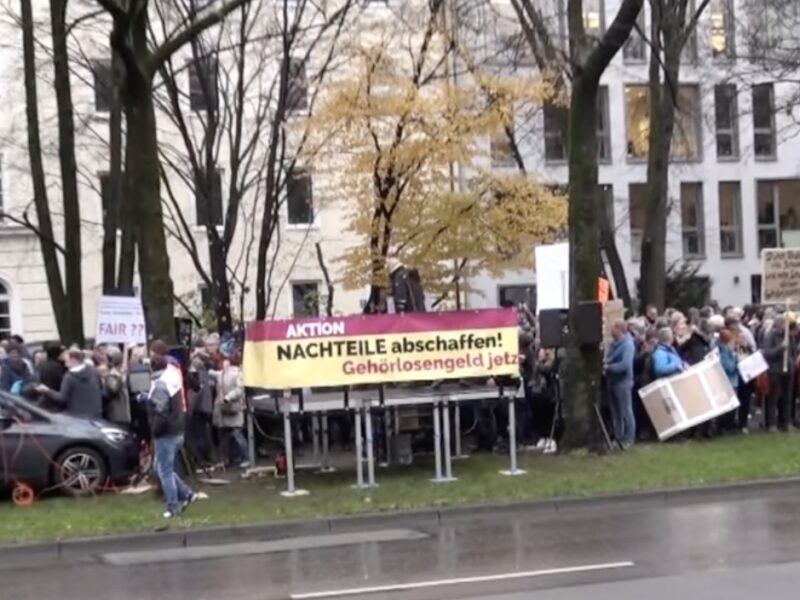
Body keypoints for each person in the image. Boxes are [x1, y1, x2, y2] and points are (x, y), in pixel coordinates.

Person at [147, 354, 199, 519]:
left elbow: (161, 411)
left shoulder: (159, 385)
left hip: (165, 433)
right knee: (161, 468)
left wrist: (155, 430)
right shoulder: (173, 378)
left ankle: (173, 507)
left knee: (165, 471)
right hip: (177, 429)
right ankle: (187, 494)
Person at [36, 347, 103, 418]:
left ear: (73, 360)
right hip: (96, 413)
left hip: (77, 416)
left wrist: (47, 390)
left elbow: (62, 398)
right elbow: (100, 387)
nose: (65, 364)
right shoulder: (92, 370)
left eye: (66, 361)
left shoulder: (69, 377)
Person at [605, 320, 636, 449]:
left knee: (626, 411)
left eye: (612, 329)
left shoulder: (628, 345)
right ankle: (618, 438)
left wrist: (609, 367)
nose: (610, 331)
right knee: (616, 412)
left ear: (619, 329)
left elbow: (625, 365)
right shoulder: (612, 345)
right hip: (612, 382)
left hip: (623, 382)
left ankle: (629, 438)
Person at [761, 315, 796, 432]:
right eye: (782, 325)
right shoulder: (769, 337)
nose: (783, 327)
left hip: (788, 370)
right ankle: (771, 424)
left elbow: (793, 351)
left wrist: (792, 362)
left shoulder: (789, 337)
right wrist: (780, 348)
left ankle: (785, 422)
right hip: (775, 371)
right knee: (773, 398)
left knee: (787, 398)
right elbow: (767, 354)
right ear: (776, 325)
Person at [214, 354, 249, 468]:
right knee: (224, 436)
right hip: (224, 408)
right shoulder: (221, 374)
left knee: (237, 434)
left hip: (234, 408)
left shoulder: (237, 374)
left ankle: (246, 457)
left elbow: (239, 390)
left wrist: (228, 397)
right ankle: (225, 459)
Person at [717, 329, 740, 432]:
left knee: (732, 405)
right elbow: (729, 367)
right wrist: (736, 361)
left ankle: (729, 425)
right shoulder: (725, 352)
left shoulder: (728, 351)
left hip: (733, 380)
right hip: (728, 381)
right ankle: (724, 426)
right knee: (727, 406)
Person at [103, 346, 131, 426]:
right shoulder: (110, 376)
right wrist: (120, 376)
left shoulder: (124, 375)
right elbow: (114, 389)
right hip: (117, 415)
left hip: (126, 415)